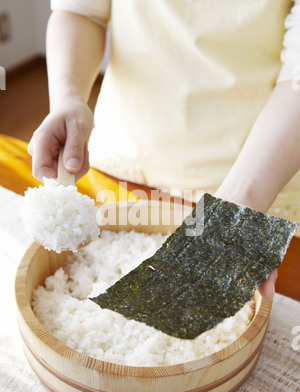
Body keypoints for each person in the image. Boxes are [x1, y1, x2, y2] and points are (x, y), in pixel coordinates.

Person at [28, 0, 300, 299]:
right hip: (120, 169)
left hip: (256, 182)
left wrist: (239, 205)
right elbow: (81, 11)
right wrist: (69, 99)